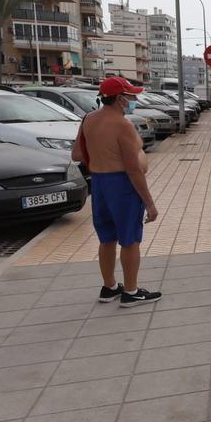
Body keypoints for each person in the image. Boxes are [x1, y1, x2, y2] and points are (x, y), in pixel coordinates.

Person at [73, 77, 162, 307]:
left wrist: (102, 154)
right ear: (120, 99)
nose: (134, 100)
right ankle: (131, 292)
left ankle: (109, 287)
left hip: (99, 184)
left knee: (107, 238)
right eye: (131, 96)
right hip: (122, 186)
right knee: (130, 240)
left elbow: (77, 154)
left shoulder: (88, 119)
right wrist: (150, 204)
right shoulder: (123, 125)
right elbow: (134, 169)